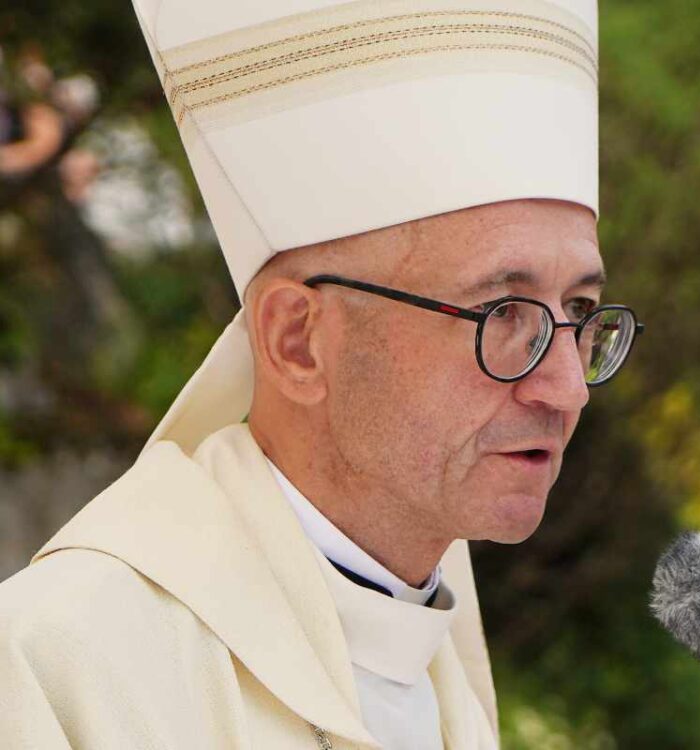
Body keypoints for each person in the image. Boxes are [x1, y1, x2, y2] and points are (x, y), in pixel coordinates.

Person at [0, 0, 639, 747]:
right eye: (502, 313)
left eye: (580, 309)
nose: (566, 387)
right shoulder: (58, 665)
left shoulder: (445, 670)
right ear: (297, 341)